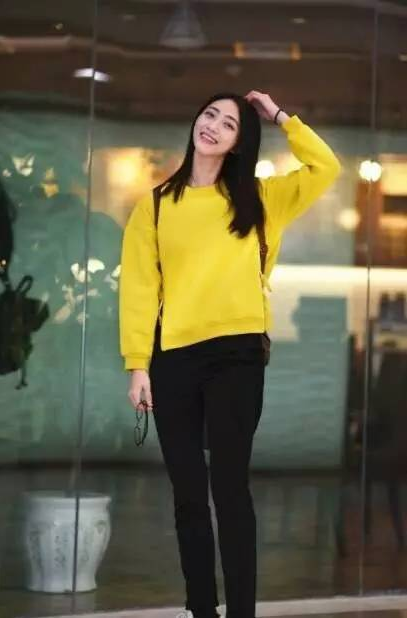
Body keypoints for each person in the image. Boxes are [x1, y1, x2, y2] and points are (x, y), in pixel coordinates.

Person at [119, 91, 341, 618]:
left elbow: (325, 166)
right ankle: (202, 609)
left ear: (241, 142)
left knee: (229, 488)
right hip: (174, 356)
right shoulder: (155, 205)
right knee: (188, 495)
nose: (213, 126)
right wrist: (138, 364)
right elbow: (139, 289)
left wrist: (281, 117)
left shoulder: (262, 198)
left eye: (229, 124)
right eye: (209, 115)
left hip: (237, 355)